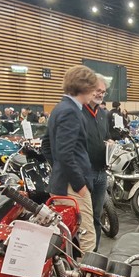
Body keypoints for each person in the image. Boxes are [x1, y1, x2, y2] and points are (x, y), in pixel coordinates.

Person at [49, 65, 100, 255]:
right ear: (84, 86)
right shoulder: (71, 111)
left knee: (68, 234)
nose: (95, 92)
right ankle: (85, 273)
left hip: (63, 182)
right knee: (87, 236)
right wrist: (80, 185)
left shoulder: (60, 108)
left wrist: (58, 169)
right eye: (93, 88)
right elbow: (65, 153)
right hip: (72, 186)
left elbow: (47, 145)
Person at [86, 76, 111, 249]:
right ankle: (80, 254)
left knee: (96, 215)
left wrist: (110, 142)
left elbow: (107, 136)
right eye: (98, 90)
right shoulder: (78, 112)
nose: (100, 94)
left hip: (101, 172)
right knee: (83, 216)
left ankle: (94, 252)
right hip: (85, 173)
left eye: (103, 92)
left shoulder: (103, 114)